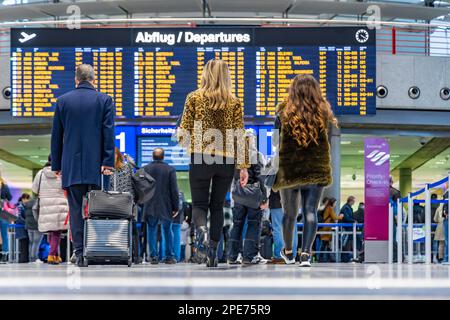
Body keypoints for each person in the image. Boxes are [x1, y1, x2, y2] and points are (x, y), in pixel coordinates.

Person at [178, 59, 249, 267]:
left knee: (199, 204)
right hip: (226, 158)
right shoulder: (234, 102)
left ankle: (202, 230)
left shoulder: (193, 97)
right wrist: (243, 166)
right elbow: (240, 134)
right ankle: (212, 253)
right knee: (217, 206)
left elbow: (183, 131)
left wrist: (190, 144)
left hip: (200, 156)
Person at [51, 64, 115, 267]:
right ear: (93, 80)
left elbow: (56, 136)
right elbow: (108, 133)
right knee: (96, 209)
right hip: (96, 166)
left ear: (76, 80)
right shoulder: (104, 100)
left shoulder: (62, 101)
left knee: (76, 209)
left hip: (71, 165)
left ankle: (79, 253)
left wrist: (57, 165)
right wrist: (107, 162)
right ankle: (95, 249)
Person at [272, 74, 337, 268]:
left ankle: (289, 252)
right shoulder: (324, 112)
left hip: (290, 170)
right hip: (316, 169)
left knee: (289, 213)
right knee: (310, 212)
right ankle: (306, 254)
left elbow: (275, 141)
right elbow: (330, 140)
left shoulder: (282, 112)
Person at [228, 132, 268, 265]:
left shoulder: (235, 157)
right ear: (253, 142)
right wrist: (264, 197)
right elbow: (261, 178)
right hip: (253, 196)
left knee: (237, 225)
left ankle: (232, 256)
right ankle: (249, 256)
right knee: (253, 224)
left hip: (238, 196)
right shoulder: (257, 155)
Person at [142, 148, 179, 265]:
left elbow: (142, 188)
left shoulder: (146, 169)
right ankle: (169, 257)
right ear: (163, 157)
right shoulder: (170, 169)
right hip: (166, 205)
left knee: (151, 230)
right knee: (167, 231)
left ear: (153, 157)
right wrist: (176, 207)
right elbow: (174, 190)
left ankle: (153, 257)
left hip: (150, 204)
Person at [32, 155, 69, 265]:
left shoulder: (41, 173)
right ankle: (52, 255)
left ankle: (54, 254)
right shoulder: (64, 172)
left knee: (52, 231)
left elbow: (34, 189)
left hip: (46, 204)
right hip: (61, 204)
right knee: (56, 231)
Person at [319, 198, 343, 262]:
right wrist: (341, 216)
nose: (335, 204)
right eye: (335, 203)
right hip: (327, 228)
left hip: (326, 228)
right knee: (324, 243)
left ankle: (329, 258)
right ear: (332, 202)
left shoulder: (327, 207)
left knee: (326, 244)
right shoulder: (330, 208)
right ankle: (322, 258)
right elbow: (334, 217)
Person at [0, 173, 12, 263]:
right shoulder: (4, 185)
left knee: (4, 235)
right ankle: (4, 255)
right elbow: (10, 197)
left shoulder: (4, 185)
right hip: (3, 212)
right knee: (5, 236)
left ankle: (4, 255)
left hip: (3, 212)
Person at [340, 196, 356, 262]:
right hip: (346, 228)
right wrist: (353, 221)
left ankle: (346, 258)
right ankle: (345, 258)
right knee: (346, 243)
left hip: (347, 228)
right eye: (353, 201)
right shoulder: (346, 208)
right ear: (351, 201)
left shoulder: (348, 207)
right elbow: (346, 218)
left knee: (347, 243)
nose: (354, 202)